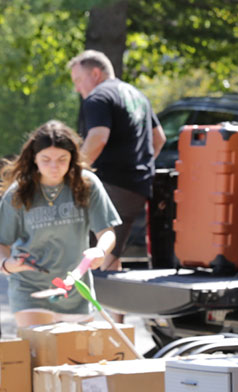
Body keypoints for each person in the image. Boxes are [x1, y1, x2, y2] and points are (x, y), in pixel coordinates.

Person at [0, 121, 121, 328]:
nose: (54, 167)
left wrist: (100, 251)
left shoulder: (87, 184)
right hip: (30, 289)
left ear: (72, 158)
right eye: (46, 159)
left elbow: (107, 231)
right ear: (34, 159)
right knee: (40, 354)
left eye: (62, 159)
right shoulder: (19, 192)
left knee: (78, 358)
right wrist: (7, 265)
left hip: (76, 290)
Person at [68, 49, 163, 271]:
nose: (77, 88)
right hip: (137, 187)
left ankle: (93, 305)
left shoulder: (98, 97)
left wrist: (72, 174)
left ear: (95, 73)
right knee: (110, 254)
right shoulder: (137, 95)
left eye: (79, 80)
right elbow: (159, 139)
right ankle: (115, 307)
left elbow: (98, 137)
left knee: (89, 257)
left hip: (110, 185)